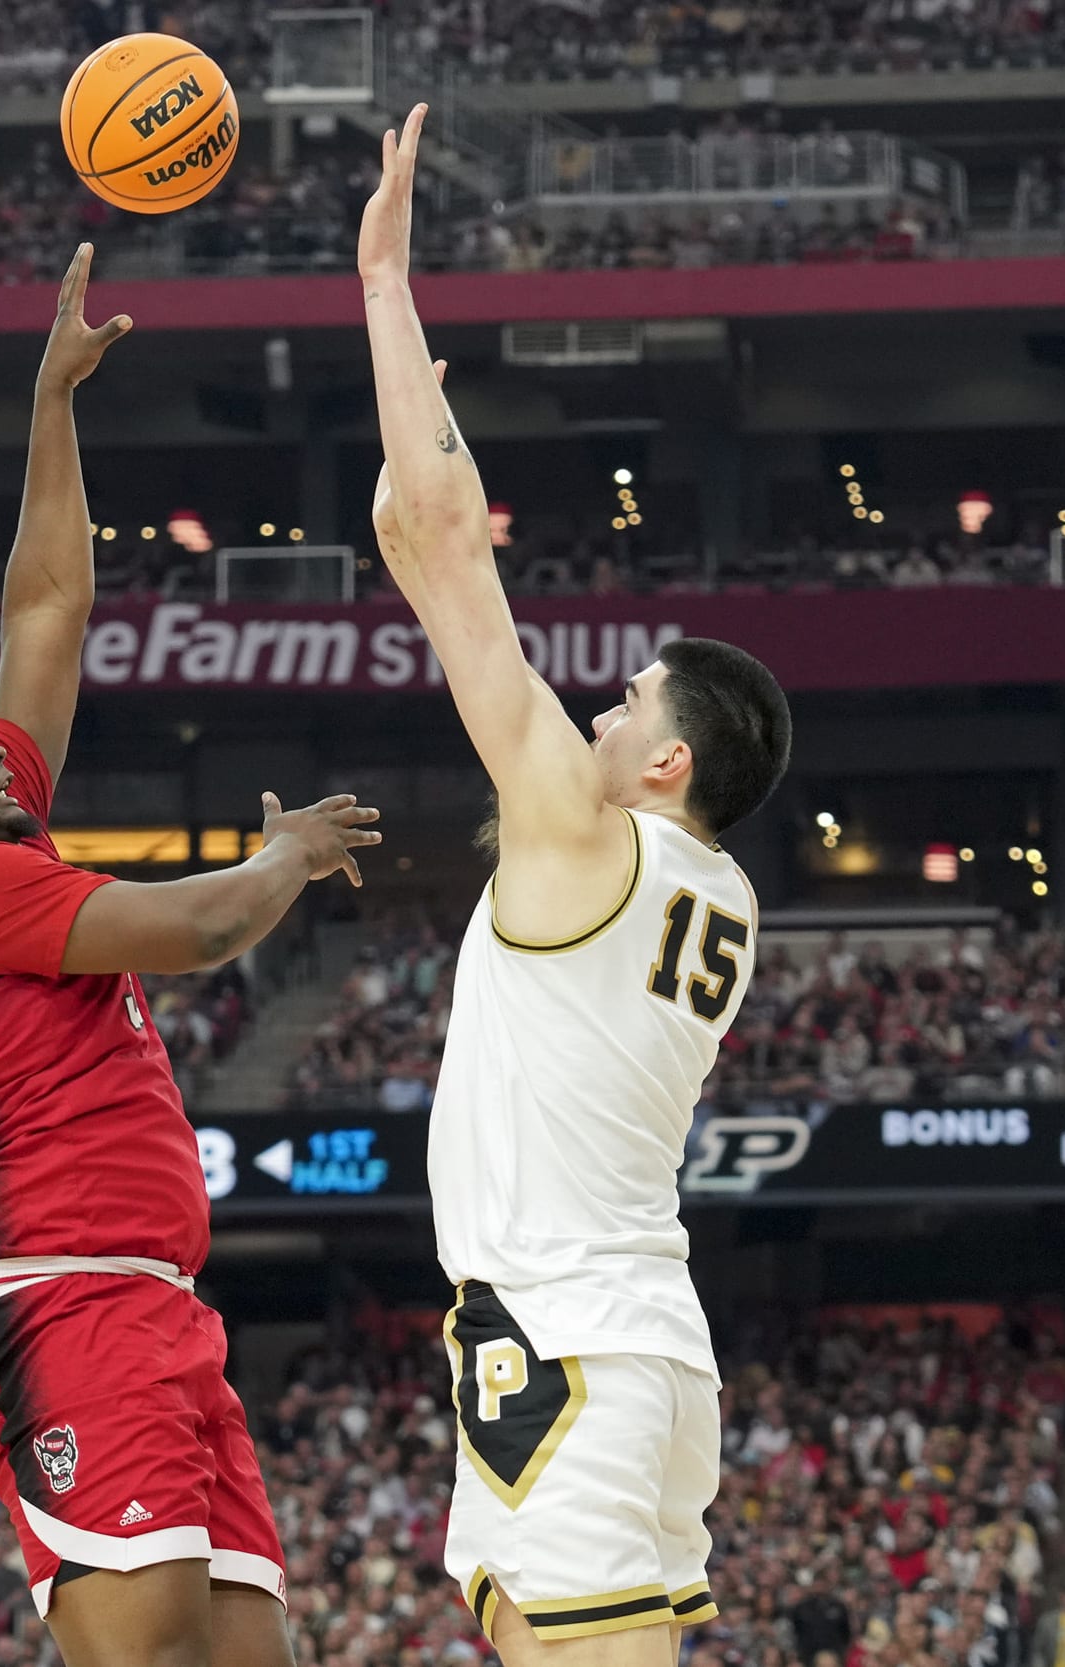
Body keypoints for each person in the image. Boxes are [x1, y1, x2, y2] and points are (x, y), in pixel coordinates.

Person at [0, 247, 379, 1667]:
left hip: (150, 1298)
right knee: (155, 1644)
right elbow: (196, 927)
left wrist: (49, 401)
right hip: (48, 1291)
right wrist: (283, 854)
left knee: (246, 1658)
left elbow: (45, 607)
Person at [357, 106, 794, 1664]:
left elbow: (448, 554)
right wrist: (419, 536)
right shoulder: (714, 891)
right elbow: (428, 559)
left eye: (626, 710)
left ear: (668, 766)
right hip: (614, 1345)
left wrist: (388, 294)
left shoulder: (584, 840)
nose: (596, 716)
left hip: (573, 1342)